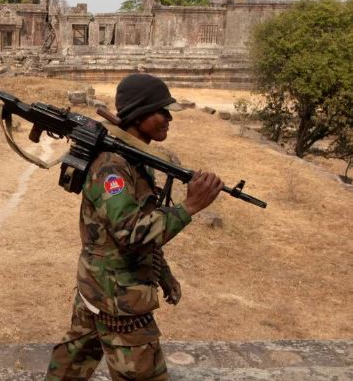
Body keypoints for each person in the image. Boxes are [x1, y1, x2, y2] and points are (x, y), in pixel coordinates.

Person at [46, 73, 224, 380]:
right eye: (161, 111)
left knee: (71, 365)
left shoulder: (132, 158)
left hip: (101, 287)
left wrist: (163, 273)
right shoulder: (113, 166)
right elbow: (131, 233)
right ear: (139, 115)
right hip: (119, 299)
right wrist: (190, 206)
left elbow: (140, 221)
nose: (169, 118)